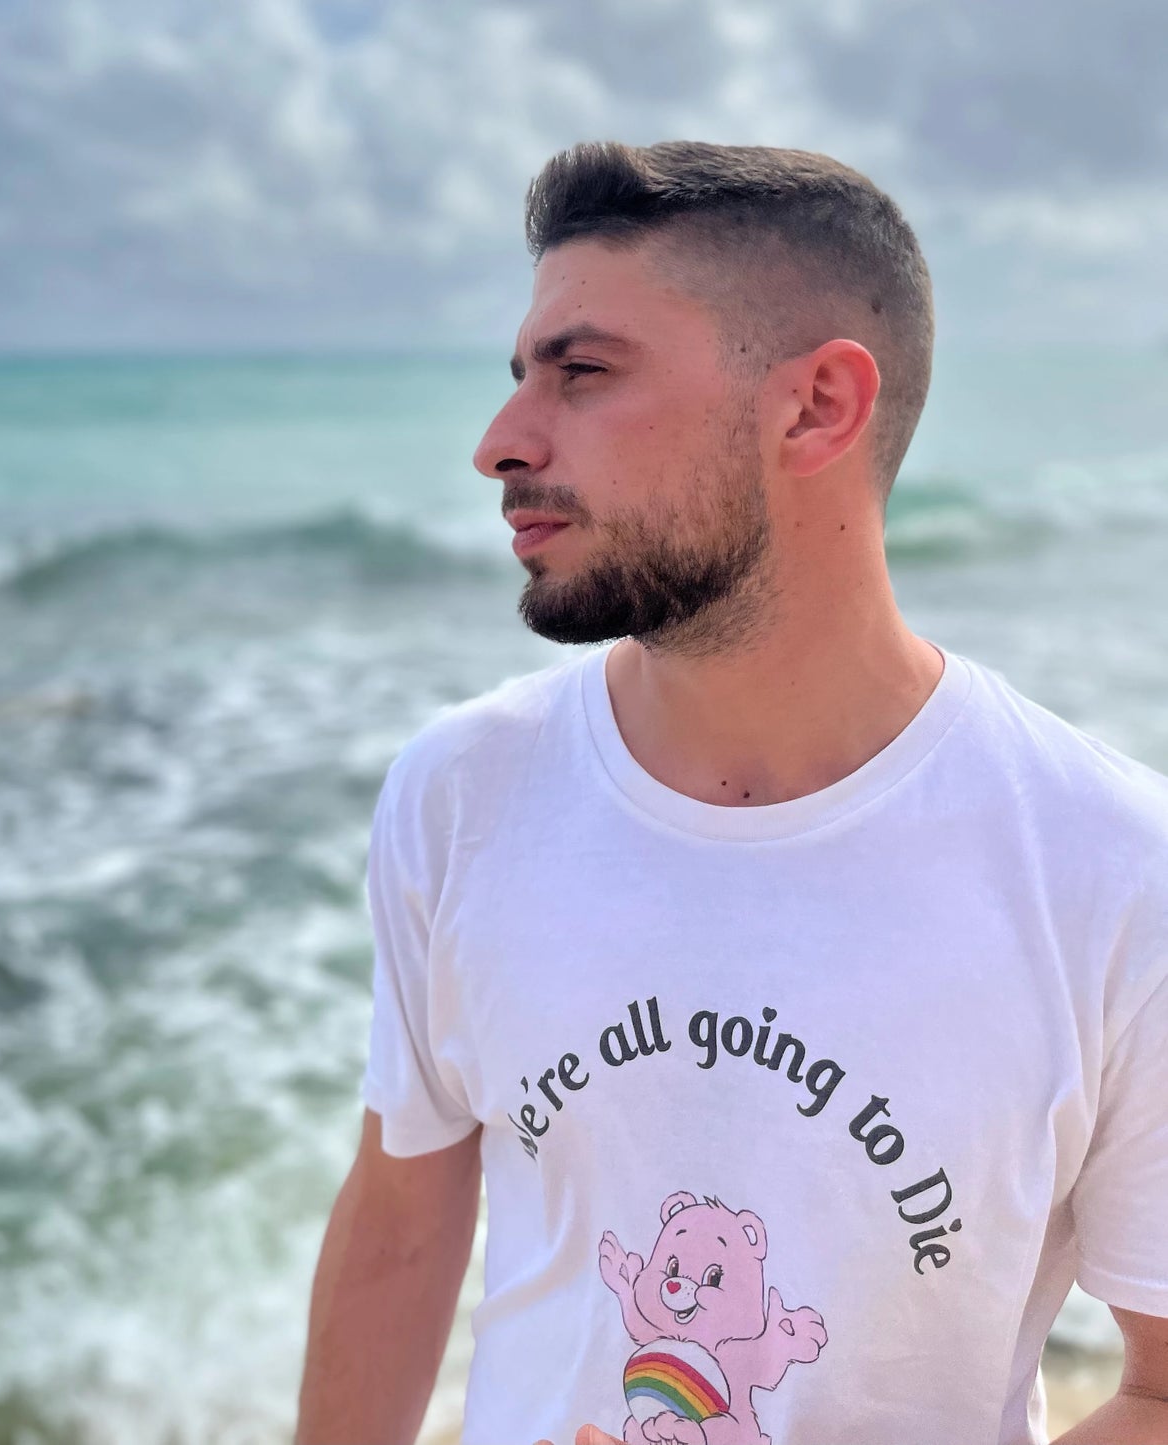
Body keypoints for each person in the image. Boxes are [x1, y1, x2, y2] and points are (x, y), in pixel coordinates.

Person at [292, 139, 1168, 1445]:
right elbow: (403, 1221)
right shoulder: (465, 791)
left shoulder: (1108, 867)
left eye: (580, 374)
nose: (497, 443)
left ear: (814, 406)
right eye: (517, 377)